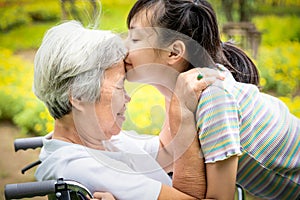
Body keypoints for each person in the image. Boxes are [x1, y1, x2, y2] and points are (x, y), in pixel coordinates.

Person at [124, 0, 300, 199]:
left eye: (135, 38)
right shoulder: (182, 92)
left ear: (174, 53)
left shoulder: (213, 99)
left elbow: (220, 198)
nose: (123, 46)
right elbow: (165, 156)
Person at [33, 20, 222, 200]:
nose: (128, 98)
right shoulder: (84, 168)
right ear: (79, 96)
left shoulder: (97, 140)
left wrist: (166, 79)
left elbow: (165, 151)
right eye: (119, 86)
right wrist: (182, 112)